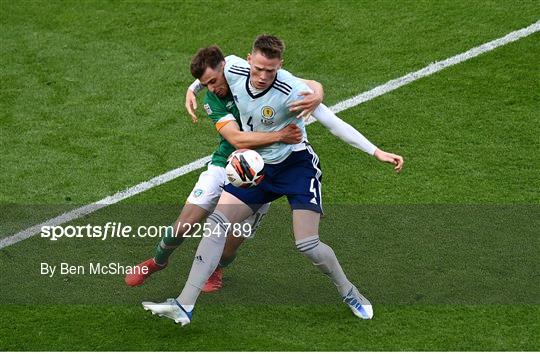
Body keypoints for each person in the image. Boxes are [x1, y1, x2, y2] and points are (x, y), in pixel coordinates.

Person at [142, 35, 403, 326]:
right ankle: (184, 304)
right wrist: (192, 88)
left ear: (280, 66)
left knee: (308, 245)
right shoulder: (233, 69)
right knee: (216, 222)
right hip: (259, 167)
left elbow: (331, 122)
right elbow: (214, 65)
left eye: (271, 70)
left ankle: (350, 292)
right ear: (248, 60)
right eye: (259, 69)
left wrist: (376, 151)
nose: (264, 76)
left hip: (296, 166)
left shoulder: (291, 89)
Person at [125, 46, 323, 291]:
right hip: (224, 165)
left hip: (262, 173)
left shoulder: (255, 75)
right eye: (204, 84)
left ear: (225, 70)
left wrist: (318, 94)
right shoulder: (214, 97)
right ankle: (157, 261)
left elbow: (310, 84)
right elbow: (237, 139)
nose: (211, 88)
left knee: (230, 246)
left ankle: (216, 267)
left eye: (212, 81)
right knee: (185, 224)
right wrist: (281, 135)